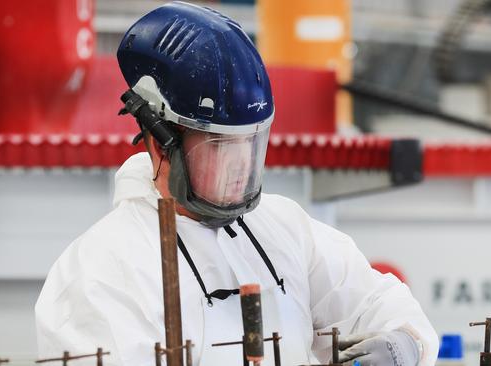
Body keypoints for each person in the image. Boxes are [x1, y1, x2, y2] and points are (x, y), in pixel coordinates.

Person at [34, 2, 438, 366]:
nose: (239, 168)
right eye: (218, 147)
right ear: (160, 142)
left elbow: (379, 303)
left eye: (250, 145)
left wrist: (403, 344)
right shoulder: (99, 273)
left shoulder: (283, 229)